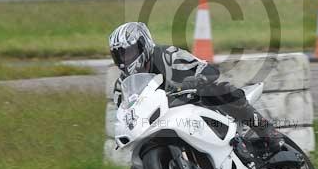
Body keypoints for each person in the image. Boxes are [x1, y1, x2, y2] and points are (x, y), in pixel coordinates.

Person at [108, 21, 284, 155]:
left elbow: (207, 69)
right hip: (160, 125)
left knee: (219, 90)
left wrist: (196, 80)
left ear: (142, 45)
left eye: (128, 52)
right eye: (119, 56)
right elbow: (125, 114)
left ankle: (266, 130)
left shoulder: (167, 56)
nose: (124, 60)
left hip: (193, 105)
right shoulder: (120, 88)